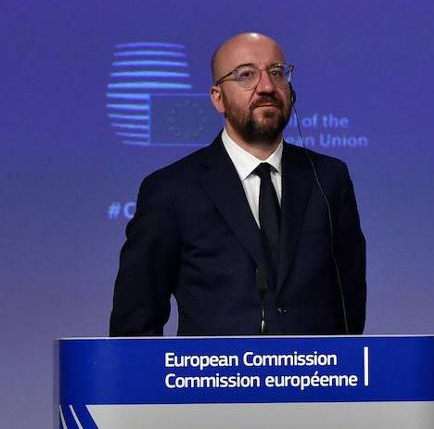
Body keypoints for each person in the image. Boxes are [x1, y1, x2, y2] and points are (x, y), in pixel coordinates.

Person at [109, 32, 366, 336]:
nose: (267, 87)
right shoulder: (170, 189)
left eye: (276, 72)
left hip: (313, 366)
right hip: (213, 367)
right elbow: (136, 320)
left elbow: (349, 303)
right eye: (246, 75)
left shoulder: (329, 178)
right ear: (218, 98)